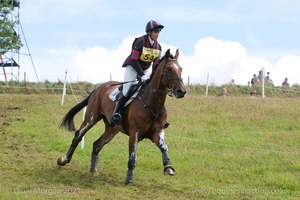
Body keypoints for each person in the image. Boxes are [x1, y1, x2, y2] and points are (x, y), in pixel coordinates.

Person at [110, 20, 164, 126]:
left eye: (159, 32)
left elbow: (155, 64)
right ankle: (116, 114)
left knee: (150, 89)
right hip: (132, 67)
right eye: (155, 31)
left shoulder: (158, 47)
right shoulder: (140, 41)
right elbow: (134, 60)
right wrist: (142, 75)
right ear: (149, 32)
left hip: (145, 69)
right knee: (127, 90)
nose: (157, 34)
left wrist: (151, 77)